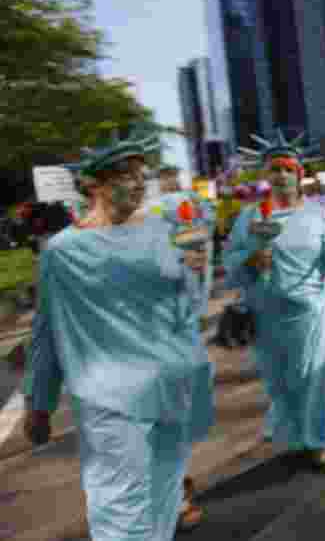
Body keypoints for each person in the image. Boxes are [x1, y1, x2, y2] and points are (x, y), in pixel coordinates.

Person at [25, 131, 214, 541]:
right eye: (122, 174)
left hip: (170, 386)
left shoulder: (167, 234)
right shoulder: (62, 252)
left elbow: (189, 310)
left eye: (139, 173)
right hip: (110, 400)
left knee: (164, 496)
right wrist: (38, 404)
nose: (134, 182)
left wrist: (195, 272)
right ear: (93, 183)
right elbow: (46, 331)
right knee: (120, 510)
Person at [224, 131, 325, 474]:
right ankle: (295, 436)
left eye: (287, 169)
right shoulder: (250, 216)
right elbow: (229, 261)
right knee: (280, 382)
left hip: (311, 312)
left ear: (298, 174)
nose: (281, 175)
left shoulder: (315, 214)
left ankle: (318, 442)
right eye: (274, 169)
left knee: (314, 380)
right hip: (268, 314)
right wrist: (251, 259)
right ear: (266, 175)